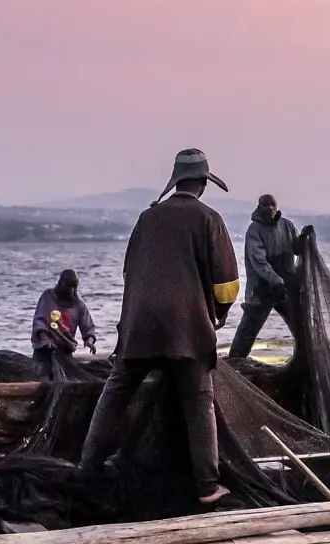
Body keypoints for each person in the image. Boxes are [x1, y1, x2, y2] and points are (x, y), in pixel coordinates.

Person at [78, 148, 242, 505]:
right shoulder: (208, 219)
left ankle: (87, 467)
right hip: (188, 331)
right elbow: (227, 284)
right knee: (199, 399)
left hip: (137, 328)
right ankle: (207, 486)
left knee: (117, 390)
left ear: (175, 181)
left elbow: (128, 272)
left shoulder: (146, 218)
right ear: (202, 183)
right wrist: (221, 313)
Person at [227, 193, 299, 361]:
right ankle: (235, 364)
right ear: (259, 208)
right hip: (261, 289)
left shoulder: (287, 226)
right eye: (265, 205)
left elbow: (296, 248)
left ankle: (306, 357)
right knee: (248, 330)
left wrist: (304, 240)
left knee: (299, 327)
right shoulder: (254, 230)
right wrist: (276, 281)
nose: (269, 208)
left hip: (285, 287)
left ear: (277, 206)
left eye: (272, 205)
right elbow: (259, 262)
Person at [31, 268, 98, 378]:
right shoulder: (47, 297)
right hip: (44, 352)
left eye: (73, 288)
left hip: (64, 354)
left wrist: (89, 341)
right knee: (39, 375)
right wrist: (44, 338)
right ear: (59, 284)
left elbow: (88, 326)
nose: (71, 291)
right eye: (68, 288)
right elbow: (40, 320)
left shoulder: (78, 305)